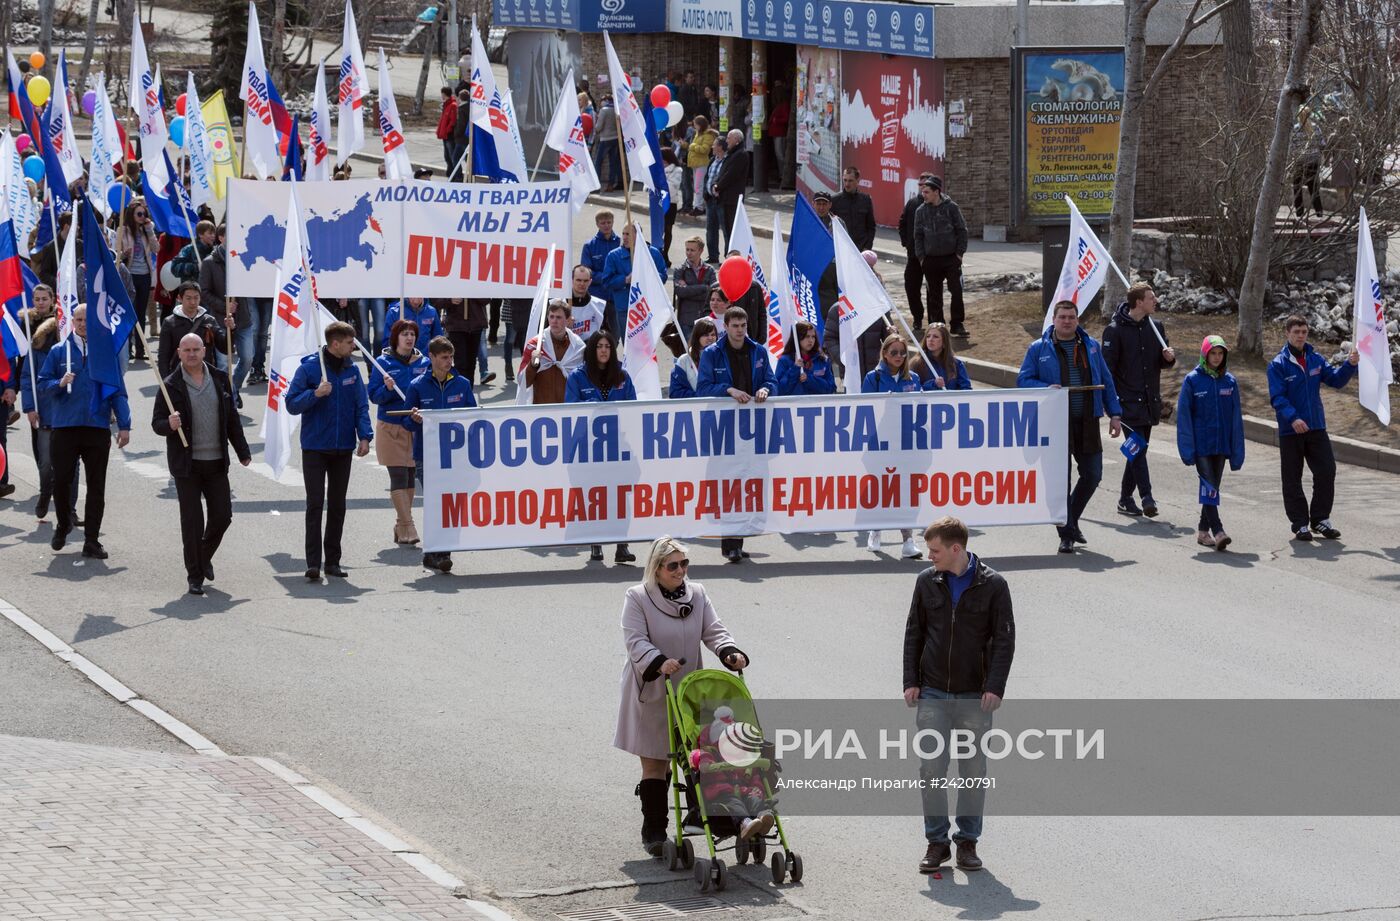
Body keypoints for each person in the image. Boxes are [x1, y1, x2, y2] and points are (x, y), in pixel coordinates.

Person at [615, 536, 750, 856]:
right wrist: (659, 661)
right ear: (657, 568)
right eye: (673, 565)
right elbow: (634, 640)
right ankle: (654, 832)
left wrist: (728, 651)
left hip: (689, 689)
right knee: (656, 763)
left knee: (699, 755)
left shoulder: (698, 593)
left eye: (684, 564)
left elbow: (714, 630)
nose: (680, 571)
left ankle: (706, 815)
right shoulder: (637, 597)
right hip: (651, 688)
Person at [902, 516, 1015, 875]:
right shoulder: (926, 582)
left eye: (934, 550)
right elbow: (913, 632)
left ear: (956, 548)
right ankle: (937, 842)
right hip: (933, 690)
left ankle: (967, 842)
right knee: (932, 769)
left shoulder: (994, 585)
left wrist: (995, 687)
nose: (929, 556)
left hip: (974, 696)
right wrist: (911, 680)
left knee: (972, 771)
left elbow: (1004, 640)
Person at [1017, 301, 1123, 554]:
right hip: (1053, 424)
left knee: (1093, 474)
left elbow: (1106, 380)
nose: (1067, 321)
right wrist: (1045, 388)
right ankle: (1066, 535)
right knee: (1059, 481)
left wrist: (1115, 414)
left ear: (1077, 320)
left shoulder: (1091, 346)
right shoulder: (1038, 348)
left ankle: (1071, 519)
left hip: (1087, 420)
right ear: (1053, 319)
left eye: (1072, 317)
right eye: (1062, 317)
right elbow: (1023, 380)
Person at [151, 333, 252, 595]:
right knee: (192, 521)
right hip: (187, 466)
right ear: (179, 352)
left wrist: (242, 450)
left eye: (197, 349)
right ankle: (194, 575)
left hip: (216, 462)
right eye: (187, 350)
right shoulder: (170, 385)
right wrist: (169, 425)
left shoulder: (220, 379)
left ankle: (203, 555)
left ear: (204, 351)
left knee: (222, 516)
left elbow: (231, 419)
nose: (192, 354)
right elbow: (157, 424)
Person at [38, 305, 132, 558]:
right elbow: (42, 384)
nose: (81, 324)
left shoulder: (105, 354)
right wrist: (59, 383)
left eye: (86, 320)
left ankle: (91, 539)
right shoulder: (59, 351)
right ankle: (63, 523)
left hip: (96, 426)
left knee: (96, 486)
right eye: (77, 319)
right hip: (65, 426)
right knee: (62, 481)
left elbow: (118, 391)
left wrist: (124, 424)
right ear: (72, 321)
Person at [285, 321, 373, 581]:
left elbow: (361, 405)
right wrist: (315, 394)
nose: (353, 346)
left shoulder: (352, 370)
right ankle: (313, 563)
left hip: (342, 447)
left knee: (337, 506)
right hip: (315, 447)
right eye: (349, 342)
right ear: (335, 344)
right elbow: (291, 403)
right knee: (315, 505)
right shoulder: (310, 368)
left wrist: (365, 436)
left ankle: (332, 561)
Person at [1266, 315, 1359, 541]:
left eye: (1304, 332)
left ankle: (1320, 519)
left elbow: (1335, 380)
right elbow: (1278, 398)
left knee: (1327, 471)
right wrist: (1293, 418)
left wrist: (1350, 364)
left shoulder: (1316, 359)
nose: (1300, 336)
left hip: (1316, 427)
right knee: (1292, 478)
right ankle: (1300, 524)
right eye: (1296, 332)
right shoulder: (1278, 365)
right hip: (1292, 430)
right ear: (1287, 333)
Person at [698, 307, 773, 563]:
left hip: (752, 429)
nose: (740, 330)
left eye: (743, 325)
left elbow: (772, 381)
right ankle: (728, 541)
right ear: (726, 326)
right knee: (727, 483)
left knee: (747, 482)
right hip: (723, 430)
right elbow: (703, 388)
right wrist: (728, 389)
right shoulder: (711, 354)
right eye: (735, 325)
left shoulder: (758, 351)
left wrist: (765, 389)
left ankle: (738, 539)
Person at [1102, 283, 1175, 518]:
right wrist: (1110, 404)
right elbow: (1107, 370)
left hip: (1149, 401)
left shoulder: (1156, 327)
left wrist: (1168, 359)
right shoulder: (1114, 331)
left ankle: (1124, 499)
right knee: (1138, 449)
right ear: (1138, 302)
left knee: (1137, 450)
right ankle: (1147, 497)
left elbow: (1161, 363)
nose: (1156, 301)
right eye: (1151, 298)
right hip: (1126, 403)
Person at [406, 336, 478, 573]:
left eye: (451, 357)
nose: (449, 362)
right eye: (444, 358)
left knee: (452, 502)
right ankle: (437, 552)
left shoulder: (462, 384)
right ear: (433, 358)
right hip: (427, 454)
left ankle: (440, 551)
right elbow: (407, 423)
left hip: (455, 454)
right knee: (436, 502)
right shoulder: (417, 385)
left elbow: (472, 417)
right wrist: (415, 420)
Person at [565, 330, 637, 564]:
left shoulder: (623, 375)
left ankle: (622, 545)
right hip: (588, 448)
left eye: (608, 346)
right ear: (592, 349)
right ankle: (595, 543)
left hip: (619, 447)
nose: (604, 350)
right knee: (594, 496)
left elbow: (634, 408)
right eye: (599, 346)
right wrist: (590, 404)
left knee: (620, 496)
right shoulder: (578, 376)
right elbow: (570, 406)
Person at [1177, 336, 1245, 551]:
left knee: (1213, 487)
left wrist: (1236, 449)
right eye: (1213, 353)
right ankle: (1218, 530)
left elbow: (1235, 418)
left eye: (1220, 353)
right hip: (1201, 445)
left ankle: (1203, 531)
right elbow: (1184, 417)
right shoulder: (1192, 380)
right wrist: (1187, 449)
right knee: (1210, 486)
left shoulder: (1230, 382)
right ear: (1205, 354)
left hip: (1221, 444)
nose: (1216, 357)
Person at [367, 319, 430, 546]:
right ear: (396, 337)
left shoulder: (424, 362)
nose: (409, 337)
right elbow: (373, 396)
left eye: (412, 333)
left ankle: (400, 523)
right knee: (398, 476)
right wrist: (387, 388)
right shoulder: (383, 363)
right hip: (391, 426)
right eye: (404, 334)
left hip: (414, 425)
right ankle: (409, 526)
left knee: (410, 477)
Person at [19, 292, 79, 520]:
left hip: (71, 414)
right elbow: (27, 378)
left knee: (72, 465)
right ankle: (46, 492)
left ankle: (70, 510)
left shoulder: (78, 346)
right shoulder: (39, 345)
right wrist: (29, 408)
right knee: (45, 464)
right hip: (46, 412)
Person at [862, 335, 922, 559]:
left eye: (903, 352)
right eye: (894, 352)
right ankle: (876, 529)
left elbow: (921, 409)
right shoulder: (873, 378)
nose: (899, 356)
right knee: (880, 488)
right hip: (879, 443)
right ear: (884, 353)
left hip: (906, 443)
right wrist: (881, 402)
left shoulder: (913, 378)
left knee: (905, 490)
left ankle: (908, 539)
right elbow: (864, 410)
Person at [913, 176, 968, 337]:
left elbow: (962, 230)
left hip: (951, 258)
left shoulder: (951, 208)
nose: (924, 195)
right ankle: (938, 326)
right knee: (934, 295)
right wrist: (921, 257)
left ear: (937, 192)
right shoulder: (921, 211)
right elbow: (918, 235)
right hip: (930, 259)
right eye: (923, 191)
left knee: (956, 290)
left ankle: (957, 324)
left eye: (927, 192)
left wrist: (959, 254)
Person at [598, 224, 667, 338]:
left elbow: (663, 276)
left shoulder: (653, 253)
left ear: (638, 236)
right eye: (623, 234)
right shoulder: (614, 256)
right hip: (625, 309)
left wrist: (646, 276)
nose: (624, 237)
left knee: (647, 347)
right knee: (630, 347)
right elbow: (606, 281)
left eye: (628, 234)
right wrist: (625, 280)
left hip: (646, 308)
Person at [158, 282, 231, 379]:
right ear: (179, 298)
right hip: (179, 379)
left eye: (196, 298)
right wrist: (166, 383)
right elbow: (163, 357)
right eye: (188, 298)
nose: (193, 302)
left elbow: (225, 348)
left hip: (206, 378)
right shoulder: (169, 323)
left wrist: (230, 329)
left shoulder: (209, 321)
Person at [521, 299, 586, 405]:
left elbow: (584, 382)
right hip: (542, 409)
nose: (554, 321)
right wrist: (532, 366)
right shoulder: (535, 345)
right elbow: (523, 383)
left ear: (568, 320)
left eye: (559, 317)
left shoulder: (578, 347)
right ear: (547, 318)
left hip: (569, 410)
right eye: (551, 316)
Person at [115, 200, 157, 361]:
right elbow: (116, 254)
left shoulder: (147, 230)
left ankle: (141, 349)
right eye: (139, 214)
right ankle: (128, 348)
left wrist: (150, 230)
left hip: (145, 275)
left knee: (140, 313)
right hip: (129, 275)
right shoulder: (123, 230)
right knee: (129, 312)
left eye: (144, 214)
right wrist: (124, 254)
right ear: (132, 215)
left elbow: (156, 249)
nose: (142, 217)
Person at [898, 173, 936, 332]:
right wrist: (906, 243)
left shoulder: (940, 205)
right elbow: (902, 223)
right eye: (920, 185)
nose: (922, 189)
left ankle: (934, 320)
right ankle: (918, 317)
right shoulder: (912, 204)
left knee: (933, 290)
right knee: (911, 287)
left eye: (925, 186)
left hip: (933, 257)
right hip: (914, 256)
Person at [773, 320, 835, 396]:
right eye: (807, 336)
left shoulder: (823, 360)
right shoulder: (785, 360)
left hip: (817, 406)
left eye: (813, 337)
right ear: (797, 338)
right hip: (793, 407)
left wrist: (809, 379)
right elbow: (778, 390)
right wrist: (794, 369)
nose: (811, 340)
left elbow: (831, 388)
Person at [714, 130, 750, 253]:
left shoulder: (741, 154)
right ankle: (728, 254)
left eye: (729, 138)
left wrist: (718, 187)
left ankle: (732, 256)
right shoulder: (732, 154)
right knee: (726, 231)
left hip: (733, 199)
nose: (727, 141)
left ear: (737, 140)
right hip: (725, 198)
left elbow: (731, 175)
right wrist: (716, 184)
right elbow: (722, 172)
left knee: (732, 231)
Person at [909, 323, 971, 391]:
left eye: (935, 336)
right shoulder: (916, 363)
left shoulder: (956, 364)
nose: (930, 339)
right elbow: (911, 389)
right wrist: (933, 384)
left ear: (944, 342)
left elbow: (966, 389)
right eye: (928, 336)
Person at [672, 237, 712, 340]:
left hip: (706, 318)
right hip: (686, 320)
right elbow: (680, 292)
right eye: (687, 249)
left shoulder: (709, 269)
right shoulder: (680, 270)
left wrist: (689, 290)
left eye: (692, 250)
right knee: (690, 352)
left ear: (701, 251)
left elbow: (712, 293)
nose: (689, 253)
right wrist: (704, 287)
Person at [670, 317, 717, 399]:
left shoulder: (723, 357)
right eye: (705, 335)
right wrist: (698, 396)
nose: (710, 338)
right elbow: (675, 392)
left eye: (713, 335)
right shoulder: (684, 360)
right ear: (697, 337)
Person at [832, 167, 876, 251]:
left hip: (861, 250)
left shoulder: (866, 200)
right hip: (842, 250)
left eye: (850, 181)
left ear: (857, 181)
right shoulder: (834, 201)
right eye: (845, 180)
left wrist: (867, 247)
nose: (847, 184)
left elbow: (871, 227)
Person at [581, 211, 622, 302]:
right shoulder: (589, 245)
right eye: (603, 223)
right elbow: (587, 272)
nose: (606, 225)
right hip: (596, 296)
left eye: (609, 222)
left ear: (613, 222)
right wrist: (607, 278)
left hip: (616, 295)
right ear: (597, 224)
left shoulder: (621, 243)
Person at [685, 115, 717, 216]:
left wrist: (693, 146)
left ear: (700, 125)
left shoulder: (708, 135)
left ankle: (699, 207)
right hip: (695, 163)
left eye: (696, 125)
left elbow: (705, 150)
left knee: (698, 186)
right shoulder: (698, 134)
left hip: (701, 163)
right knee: (697, 185)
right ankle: (697, 205)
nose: (694, 127)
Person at [702, 137, 728, 260]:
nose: (712, 147)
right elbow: (707, 177)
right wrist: (705, 193)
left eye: (714, 145)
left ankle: (728, 256)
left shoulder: (727, 161)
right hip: (710, 199)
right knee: (710, 229)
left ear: (721, 147)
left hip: (720, 200)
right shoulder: (713, 160)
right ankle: (713, 256)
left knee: (725, 229)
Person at [566, 265, 608, 339]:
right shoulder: (558, 304)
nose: (582, 284)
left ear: (590, 282)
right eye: (578, 280)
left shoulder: (600, 305)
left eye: (585, 281)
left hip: (591, 349)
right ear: (572, 280)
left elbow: (606, 335)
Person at [170, 220, 216, 285]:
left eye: (214, 233)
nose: (213, 236)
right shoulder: (189, 249)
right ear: (200, 235)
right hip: (192, 290)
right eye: (210, 233)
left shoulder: (215, 251)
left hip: (209, 290)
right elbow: (174, 268)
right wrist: (195, 267)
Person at [660, 148, 683, 264]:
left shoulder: (677, 170)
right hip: (658, 203)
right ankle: (658, 252)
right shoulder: (658, 169)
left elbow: (673, 187)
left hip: (670, 203)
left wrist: (661, 182)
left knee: (667, 229)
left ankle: (665, 254)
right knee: (659, 230)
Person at [593, 96, 621, 191]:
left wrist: (595, 125)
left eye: (602, 101)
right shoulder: (616, 110)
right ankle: (610, 185)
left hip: (605, 139)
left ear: (605, 101)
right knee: (612, 163)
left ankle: (596, 186)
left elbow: (598, 127)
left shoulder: (604, 110)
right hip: (615, 138)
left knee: (598, 162)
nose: (600, 103)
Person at [436, 86, 458, 176]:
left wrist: (447, 130)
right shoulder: (446, 105)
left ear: (445, 94)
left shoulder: (452, 105)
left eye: (442, 94)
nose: (441, 96)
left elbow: (452, 121)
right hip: (445, 135)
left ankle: (455, 174)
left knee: (452, 156)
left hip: (449, 135)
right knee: (447, 156)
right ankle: (450, 173)